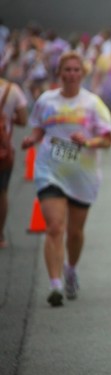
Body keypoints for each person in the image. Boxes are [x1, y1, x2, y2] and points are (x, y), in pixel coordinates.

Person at [21, 51, 111, 307]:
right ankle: (55, 284)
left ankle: (70, 268)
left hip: (82, 175)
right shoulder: (46, 100)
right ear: (59, 73)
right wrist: (33, 138)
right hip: (50, 169)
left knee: (75, 232)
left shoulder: (93, 104)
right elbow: (40, 127)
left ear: (82, 74)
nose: (71, 74)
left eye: (76, 70)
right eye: (67, 70)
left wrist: (89, 140)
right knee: (54, 227)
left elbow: (108, 140)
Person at [0, 78, 28, 248]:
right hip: (3, 150)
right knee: (2, 192)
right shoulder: (12, 90)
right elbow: (23, 120)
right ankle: (0, 235)